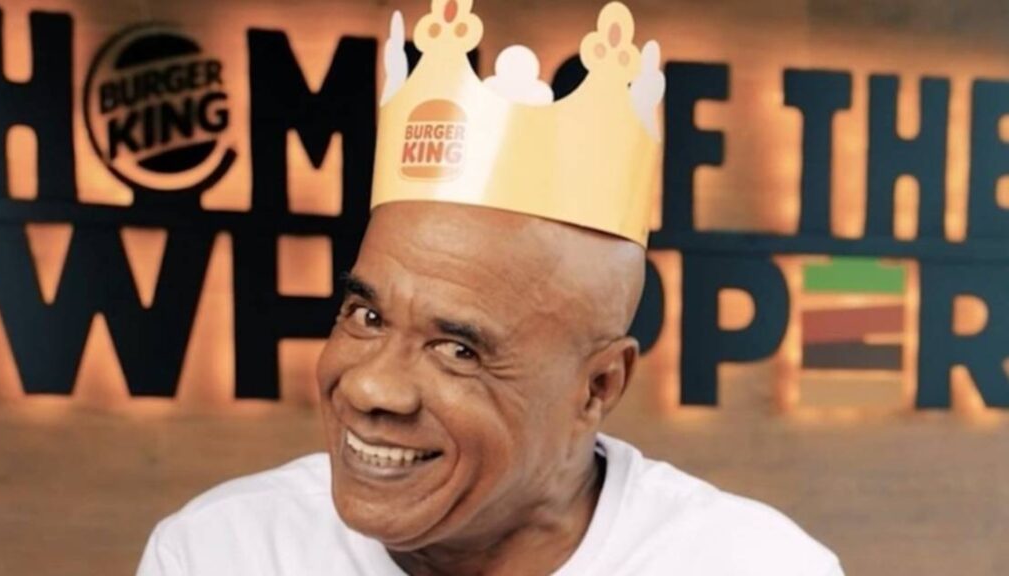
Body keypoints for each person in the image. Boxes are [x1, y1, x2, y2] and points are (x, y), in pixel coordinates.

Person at [138, 2, 843, 574]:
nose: (371, 388)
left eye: (458, 350)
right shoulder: (220, 552)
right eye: (366, 316)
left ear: (598, 386)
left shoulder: (753, 564)